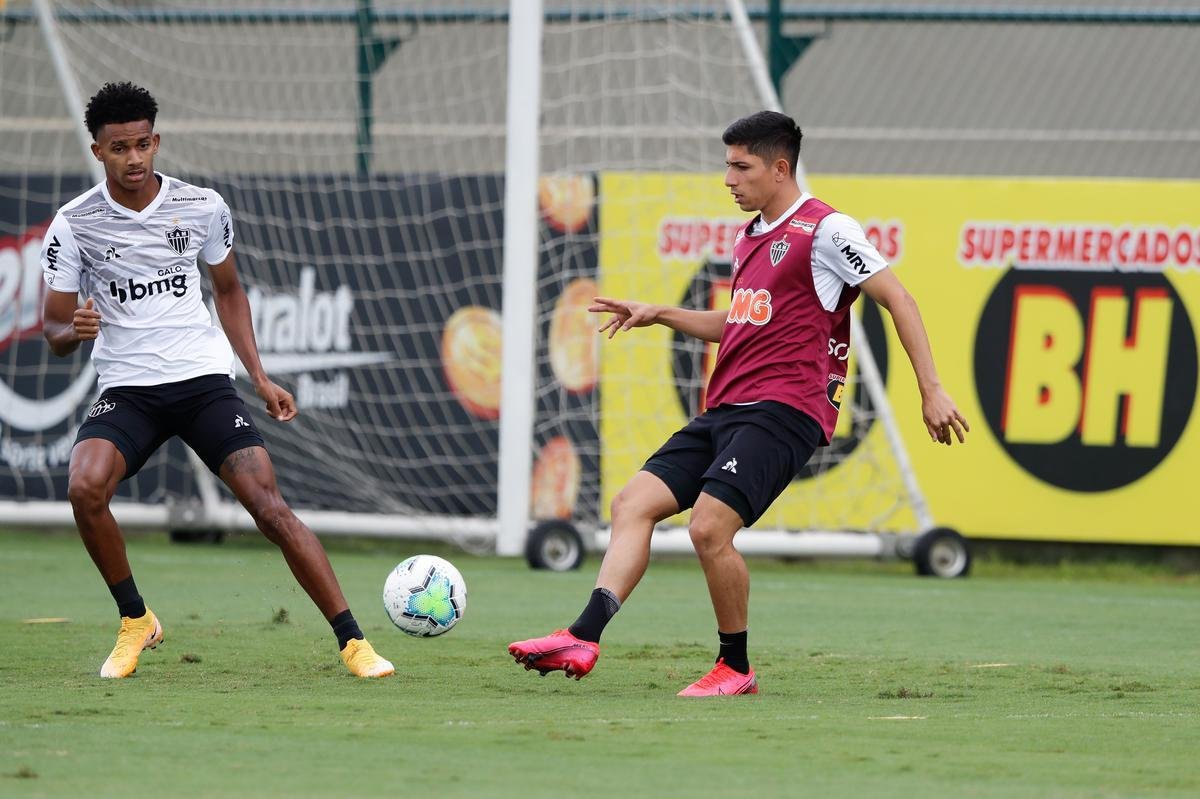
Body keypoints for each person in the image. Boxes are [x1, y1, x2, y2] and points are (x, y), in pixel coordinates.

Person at [509, 110, 968, 696]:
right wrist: (661, 313)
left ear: (780, 168)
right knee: (632, 505)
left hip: (786, 410)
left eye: (740, 165)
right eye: (727, 164)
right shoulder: (750, 236)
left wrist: (930, 388)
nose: (728, 177)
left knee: (708, 528)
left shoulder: (828, 230)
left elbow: (897, 298)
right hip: (726, 409)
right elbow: (739, 324)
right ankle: (583, 636)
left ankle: (736, 667)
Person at [40, 82, 394, 679]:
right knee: (84, 487)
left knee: (270, 507)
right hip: (129, 391)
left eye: (144, 144)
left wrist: (258, 376)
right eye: (119, 147)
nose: (134, 158)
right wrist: (72, 330)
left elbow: (228, 291)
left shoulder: (201, 206)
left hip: (203, 383)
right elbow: (52, 328)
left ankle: (354, 642)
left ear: (157, 141)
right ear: (97, 150)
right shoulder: (74, 224)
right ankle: (135, 620)